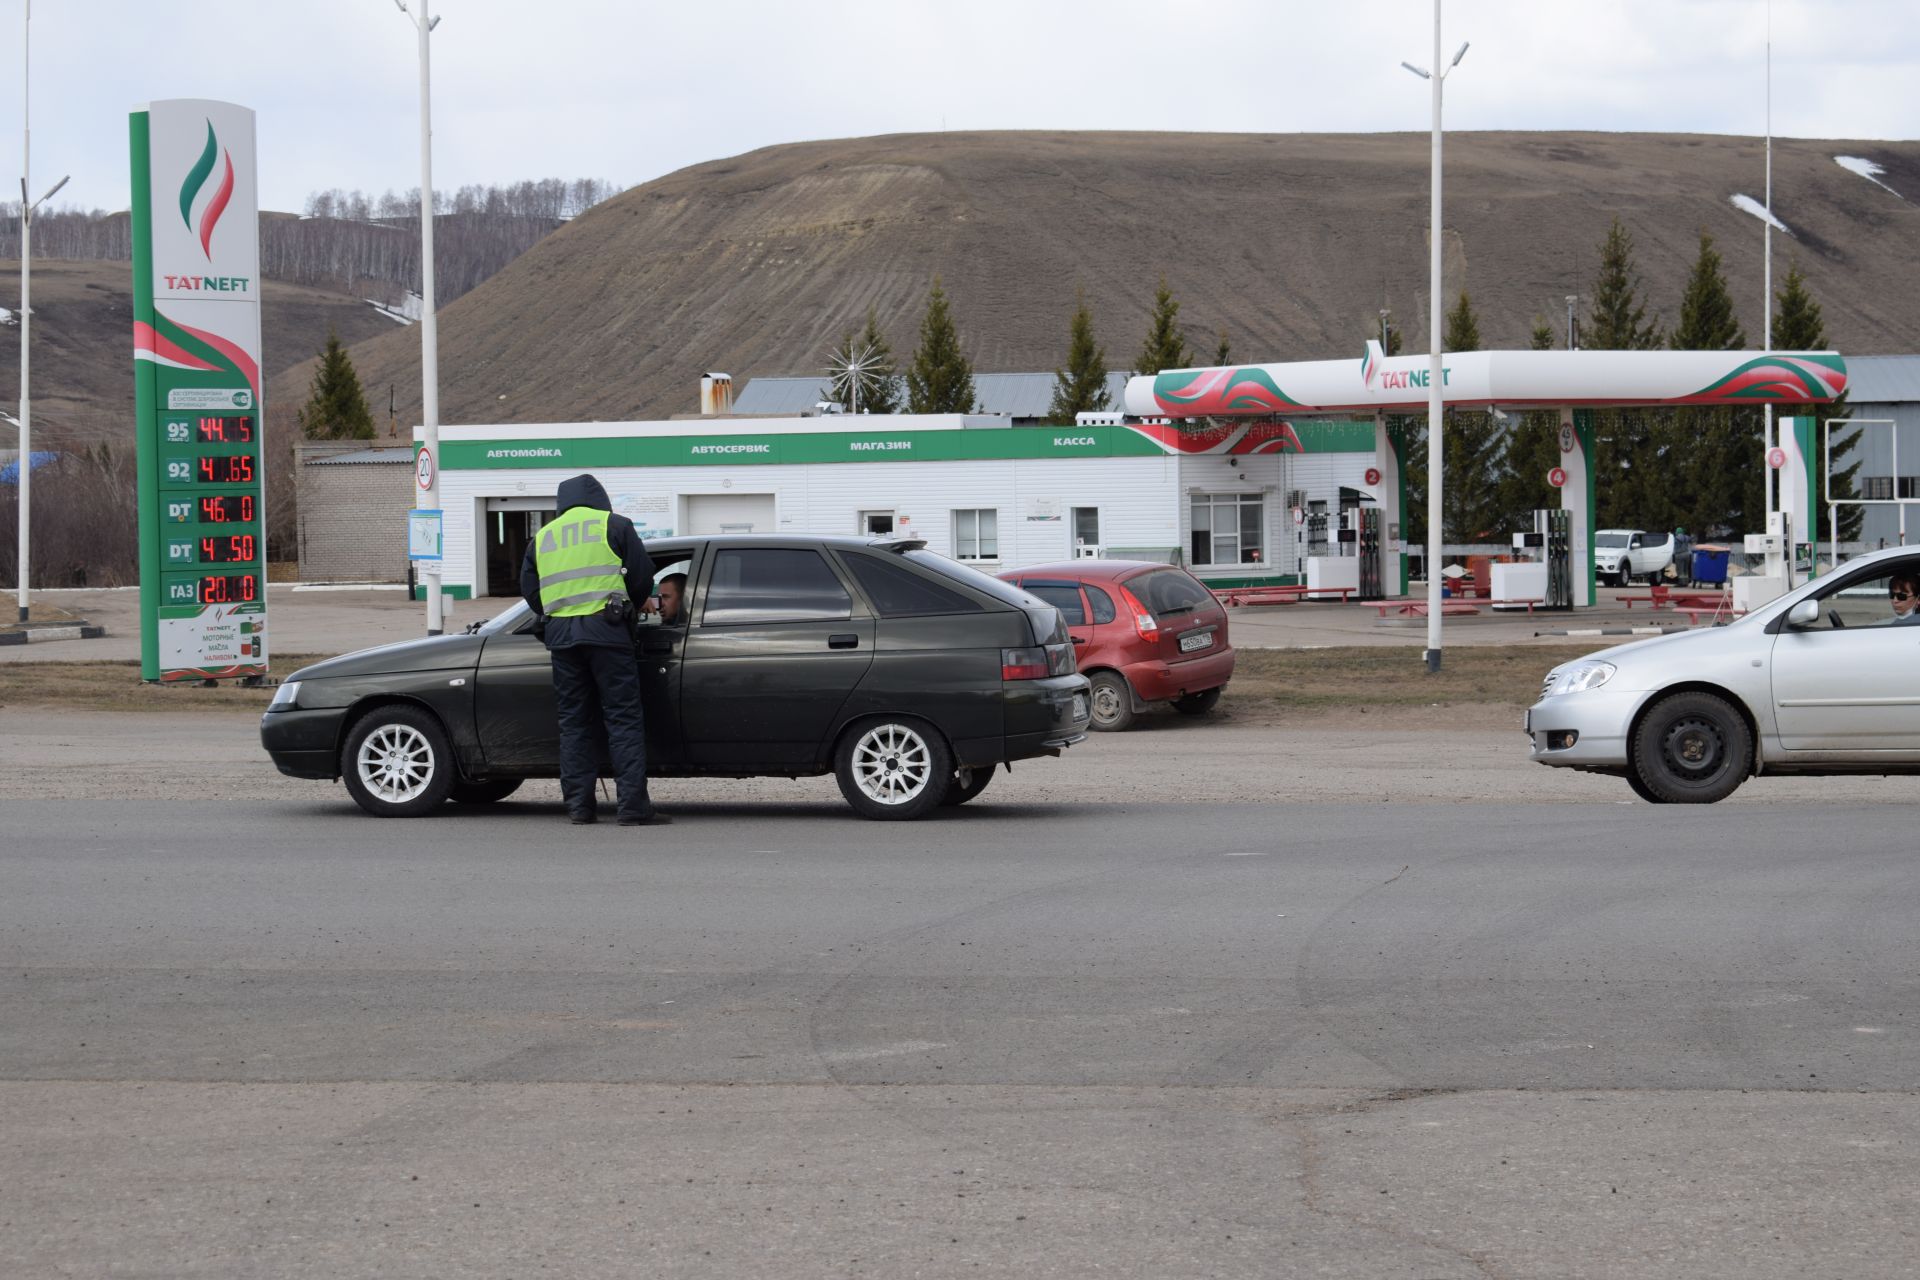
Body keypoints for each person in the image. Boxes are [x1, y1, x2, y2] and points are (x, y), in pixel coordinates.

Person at [520, 475, 670, 827]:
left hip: (562, 639)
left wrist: (557, 613)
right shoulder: (614, 525)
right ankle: (632, 807)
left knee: (573, 723)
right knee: (622, 719)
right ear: (600, 498)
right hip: (607, 633)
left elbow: (530, 590)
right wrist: (628, 608)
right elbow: (643, 576)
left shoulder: (543, 537)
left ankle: (579, 807)